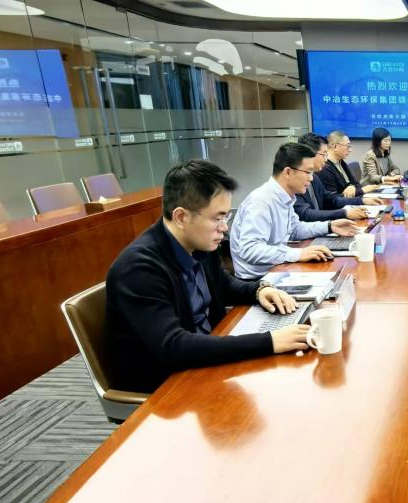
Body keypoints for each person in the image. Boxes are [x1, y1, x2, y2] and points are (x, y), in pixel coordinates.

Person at [104, 159, 310, 394]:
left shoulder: (199, 241)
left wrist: (260, 290)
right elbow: (174, 345)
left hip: (205, 356)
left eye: (226, 217)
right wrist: (269, 341)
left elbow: (223, 285)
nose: (224, 228)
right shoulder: (138, 268)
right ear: (181, 217)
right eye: (217, 218)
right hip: (167, 385)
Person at [230, 142, 359, 279]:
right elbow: (250, 249)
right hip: (258, 279)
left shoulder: (285, 196)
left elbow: (295, 229)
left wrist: (329, 226)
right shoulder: (262, 201)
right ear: (288, 172)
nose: (311, 178)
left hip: (278, 269)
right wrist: (298, 254)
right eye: (308, 172)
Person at [293, 133, 382, 222]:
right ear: (310, 154)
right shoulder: (295, 179)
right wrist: (344, 213)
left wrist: (361, 201)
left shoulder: (314, 177)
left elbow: (332, 199)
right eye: (324, 154)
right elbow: (306, 214)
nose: (326, 159)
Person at [320, 130, 380, 198]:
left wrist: (352, 187)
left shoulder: (341, 162)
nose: (350, 150)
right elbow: (333, 199)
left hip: (352, 200)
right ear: (335, 146)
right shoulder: (324, 168)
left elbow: (356, 183)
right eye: (347, 146)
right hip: (346, 203)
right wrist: (362, 190)